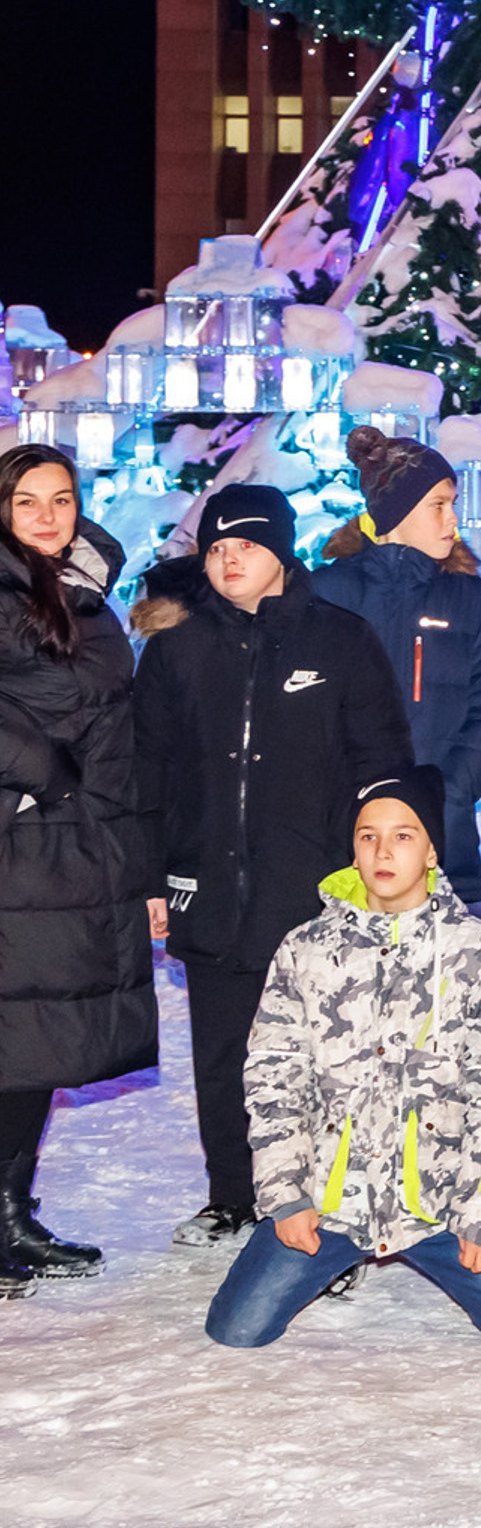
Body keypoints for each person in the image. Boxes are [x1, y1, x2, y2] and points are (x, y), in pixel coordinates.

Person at [133, 483, 411, 1248]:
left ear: (280, 554)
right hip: (211, 891)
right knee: (225, 1058)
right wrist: (150, 878)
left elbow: (382, 763)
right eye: (216, 549)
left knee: (326, 1062)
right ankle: (233, 1196)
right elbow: (147, 774)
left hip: (315, 895)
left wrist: (377, 876)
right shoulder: (175, 652)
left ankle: (327, 1205)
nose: (228, 561)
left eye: (245, 547)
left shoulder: (342, 642)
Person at [204, 762, 481, 1351]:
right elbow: (273, 1079)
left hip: (438, 1202)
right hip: (331, 1202)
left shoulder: (478, 952)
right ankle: (341, 1255)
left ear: (432, 853)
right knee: (236, 1329)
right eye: (368, 836)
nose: (382, 850)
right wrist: (287, 1196)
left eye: (403, 835)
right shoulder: (306, 949)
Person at [0, 446, 153, 1291]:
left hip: (78, 849)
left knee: (36, 1045)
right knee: (16, 1040)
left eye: (61, 500)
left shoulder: (86, 595)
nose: (49, 517)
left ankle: (11, 1215)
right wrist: (40, 775)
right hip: (19, 843)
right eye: (28, 503)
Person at [311, 425, 481, 911]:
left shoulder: (470, 598)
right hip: (343, 842)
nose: (453, 519)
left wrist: (450, 790)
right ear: (397, 511)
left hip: (443, 840)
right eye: (438, 505)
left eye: (453, 504)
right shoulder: (327, 594)